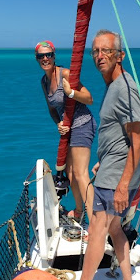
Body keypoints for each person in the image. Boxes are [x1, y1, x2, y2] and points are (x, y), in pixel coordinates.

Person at [69, 30, 140, 280]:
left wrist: (122, 184)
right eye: (96, 51)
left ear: (119, 55)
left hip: (118, 176)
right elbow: (121, 135)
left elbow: (138, 139)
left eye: (107, 51)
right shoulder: (114, 86)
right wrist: (104, 158)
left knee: (97, 229)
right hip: (115, 168)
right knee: (115, 228)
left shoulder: (124, 88)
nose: (100, 56)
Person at [35, 40, 96, 221]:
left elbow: (89, 98)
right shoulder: (44, 82)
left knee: (81, 173)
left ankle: (95, 221)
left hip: (83, 124)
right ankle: (79, 211)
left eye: (48, 55)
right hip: (68, 129)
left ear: (54, 56)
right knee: (70, 173)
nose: (45, 58)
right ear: (37, 59)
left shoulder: (66, 74)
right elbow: (52, 110)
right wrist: (58, 123)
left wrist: (71, 93)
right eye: (41, 56)